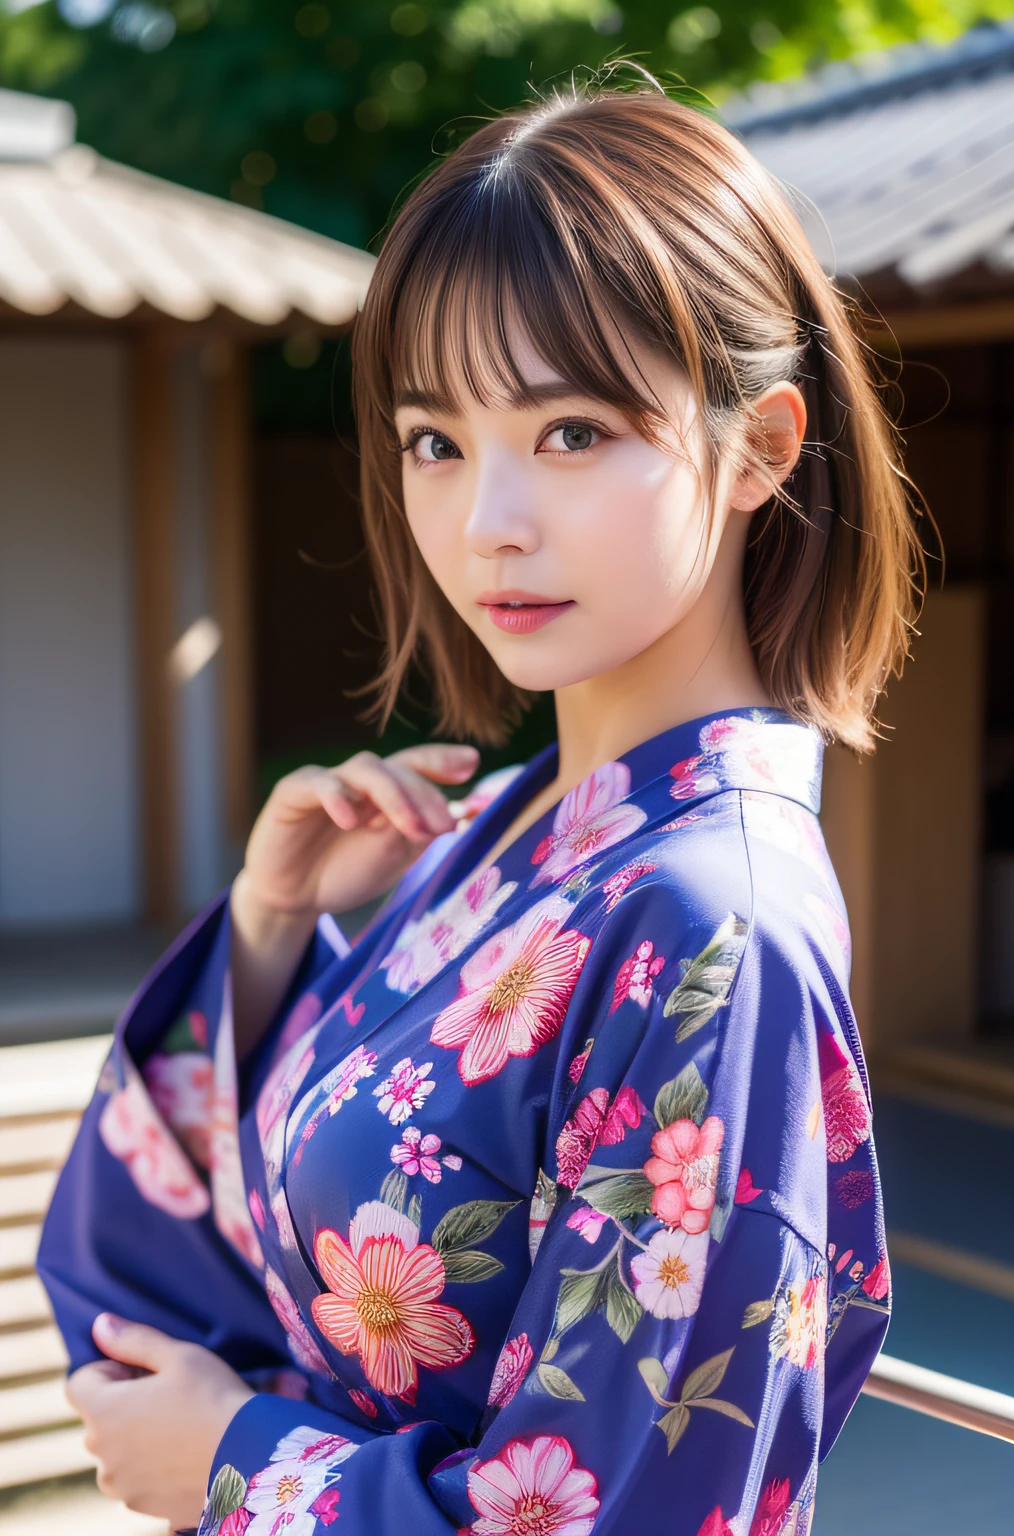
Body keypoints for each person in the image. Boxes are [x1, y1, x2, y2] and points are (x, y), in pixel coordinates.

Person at [38, 79, 919, 1536]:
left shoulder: (716, 920)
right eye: (436, 441)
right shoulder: (514, 823)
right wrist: (267, 930)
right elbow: (202, 1248)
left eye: (572, 432)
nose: (485, 522)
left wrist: (236, 1465)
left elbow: (634, 1510)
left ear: (761, 448)